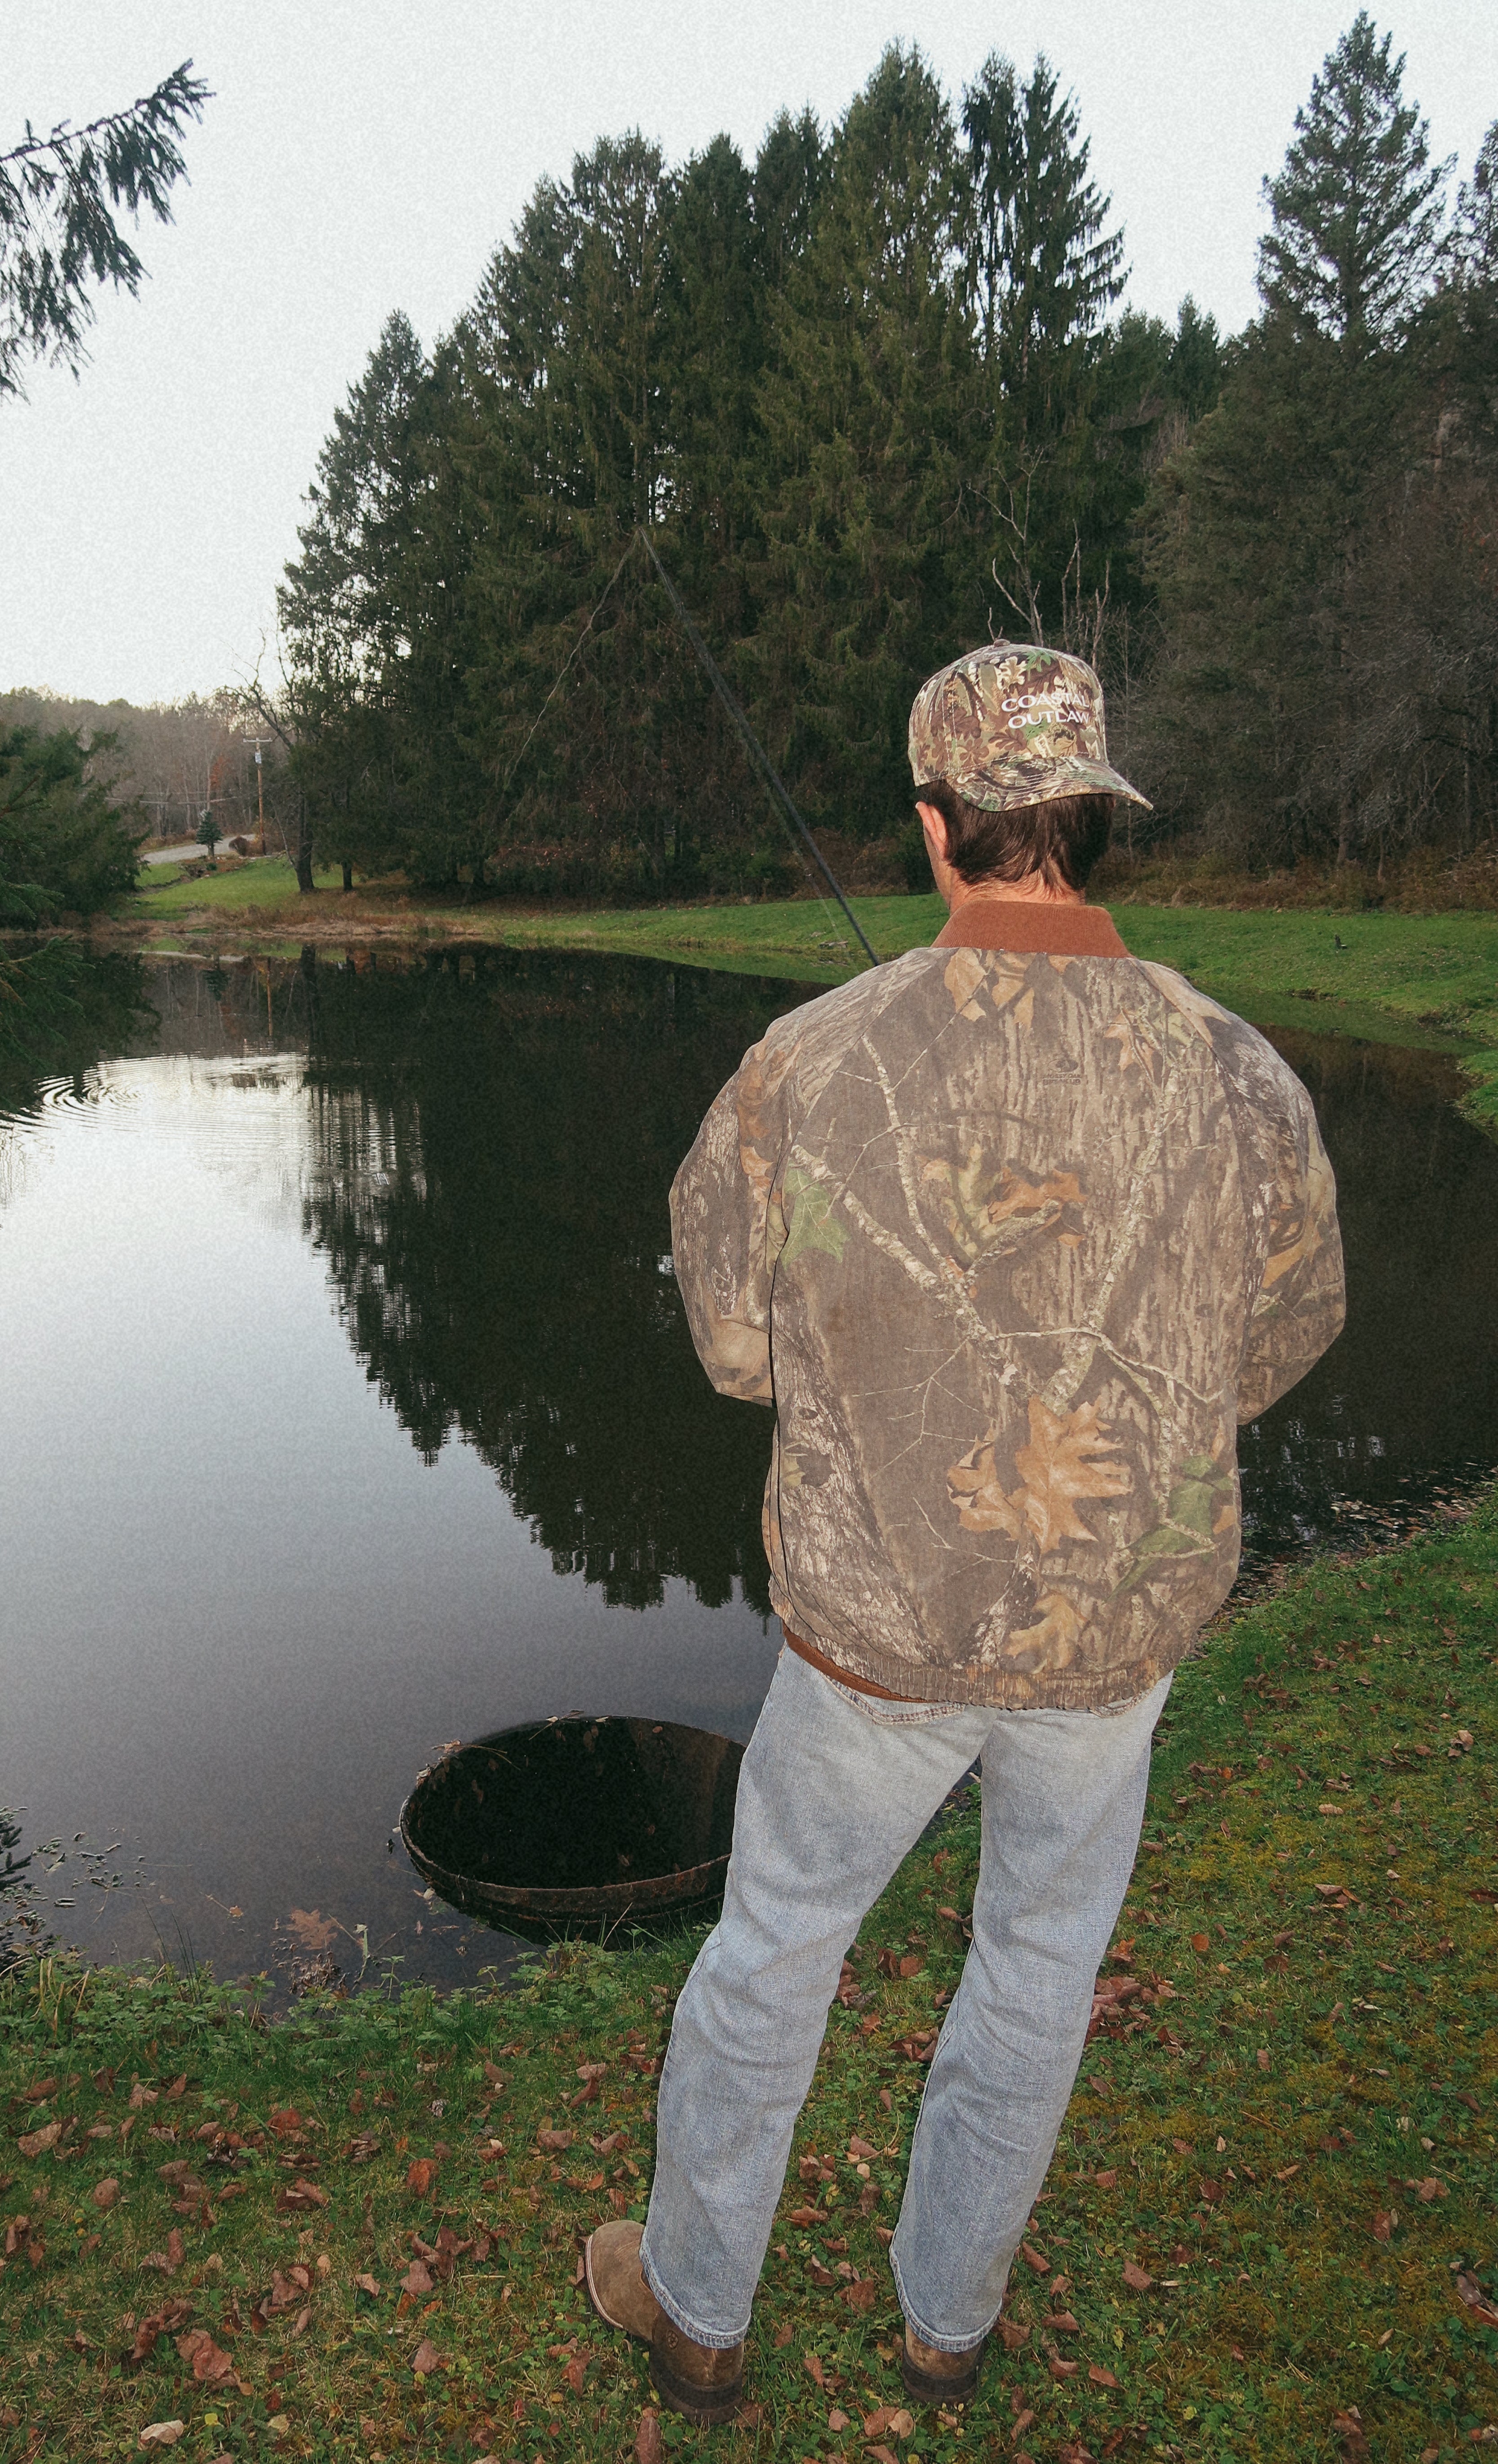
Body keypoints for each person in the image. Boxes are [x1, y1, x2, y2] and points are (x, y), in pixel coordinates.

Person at [583, 641, 1345, 2425]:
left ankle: (696, 2310)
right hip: (1113, 1638)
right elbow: (1289, 1329)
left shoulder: (808, 1062)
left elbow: (732, 1342)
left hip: (879, 1642)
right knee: (1039, 1962)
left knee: (777, 1945)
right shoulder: (1235, 1067)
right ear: (1094, 817)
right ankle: (948, 2323)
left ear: (937, 826)